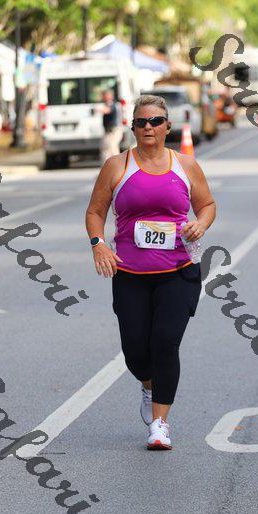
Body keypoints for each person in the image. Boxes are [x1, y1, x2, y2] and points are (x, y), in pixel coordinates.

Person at [85, 94, 216, 450]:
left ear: (167, 126)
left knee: (165, 343)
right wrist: (98, 243)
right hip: (130, 275)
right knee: (135, 352)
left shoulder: (185, 165)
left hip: (179, 270)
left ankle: (160, 424)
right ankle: (147, 385)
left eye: (155, 121)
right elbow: (95, 211)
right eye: (141, 122)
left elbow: (206, 204)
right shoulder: (117, 166)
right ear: (132, 128)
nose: (148, 127)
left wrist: (201, 224)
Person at [97, 89, 123, 165]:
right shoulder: (112, 103)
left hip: (113, 131)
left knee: (110, 148)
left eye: (104, 95)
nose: (103, 97)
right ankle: (110, 167)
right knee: (107, 148)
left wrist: (98, 110)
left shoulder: (111, 103)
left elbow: (108, 110)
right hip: (110, 131)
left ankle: (115, 167)